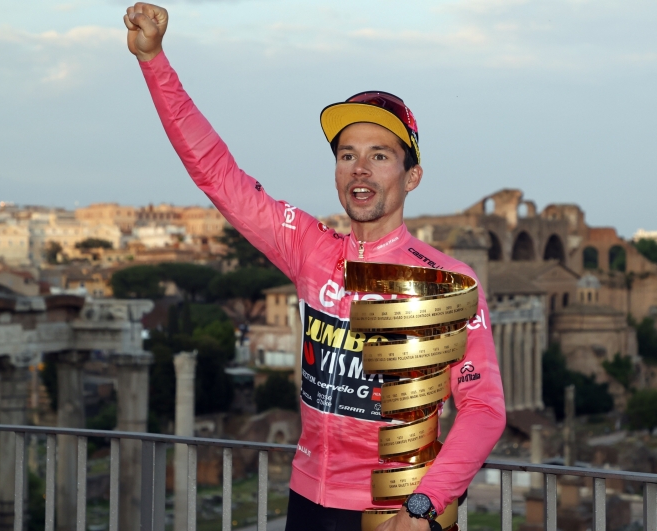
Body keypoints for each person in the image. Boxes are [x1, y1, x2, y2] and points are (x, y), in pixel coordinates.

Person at [123, 4, 506, 530]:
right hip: (307, 502)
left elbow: (484, 409)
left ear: (411, 176)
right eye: (347, 155)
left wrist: (426, 504)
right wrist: (155, 61)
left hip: (394, 513)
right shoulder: (309, 248)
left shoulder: (447, 282)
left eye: (380, 154)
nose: (360, 169)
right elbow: (216, 173)